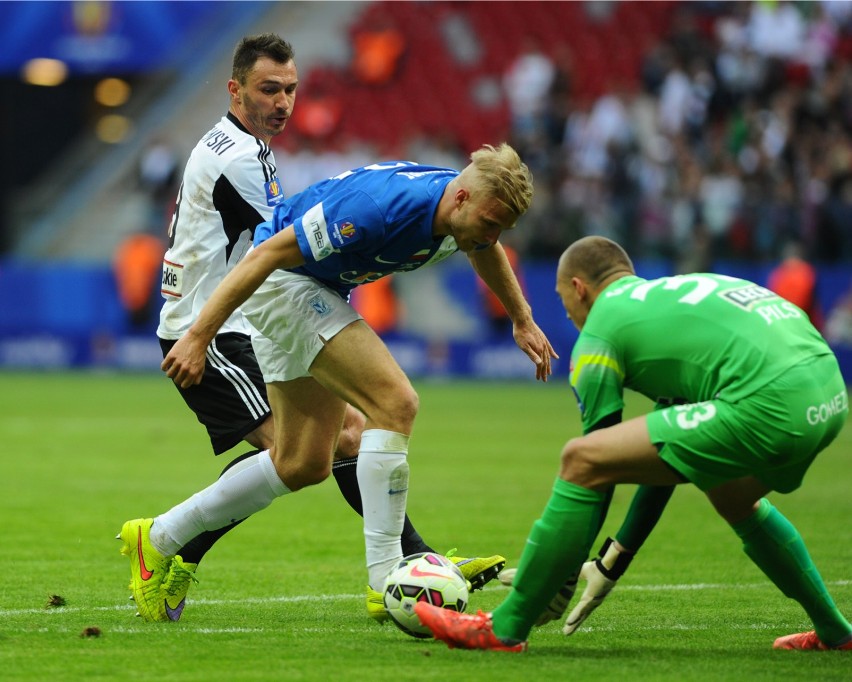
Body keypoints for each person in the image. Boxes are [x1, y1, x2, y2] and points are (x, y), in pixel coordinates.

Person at [142, 33, 506, 623]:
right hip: (214, 324)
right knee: (323, 445)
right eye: (268, 90)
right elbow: (276, 251)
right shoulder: (239, 156)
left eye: (290, 90)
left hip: (238, 316)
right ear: (234, 90)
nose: (283, 102)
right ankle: (166, 547)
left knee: (324, 450)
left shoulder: (238, 145)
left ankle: (412, 564)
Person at [415, 235, 851, 652]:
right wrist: (613, 561)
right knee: (730, 493)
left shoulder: (601, 331)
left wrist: (558, 578)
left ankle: (506, 628)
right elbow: (667, 455)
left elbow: (598, 467)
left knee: (580, 458)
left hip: (772, 401)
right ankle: (836, 632)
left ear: (578, 288)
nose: (567, 313)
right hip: (829, 390)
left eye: (563, 300)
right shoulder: (667, 303)